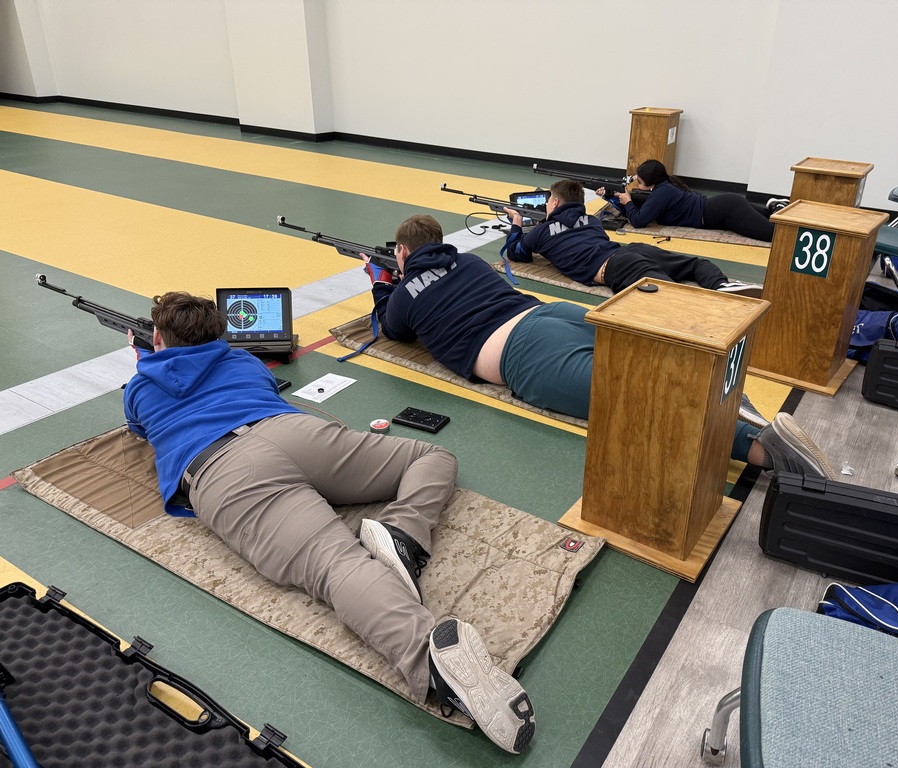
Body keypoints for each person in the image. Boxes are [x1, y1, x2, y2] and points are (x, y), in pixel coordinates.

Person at [123, 291, 536, 755]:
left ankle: (432, 660)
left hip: (222, 471)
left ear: (157, 336)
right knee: (430, 456)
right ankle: (402, 533)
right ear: (218, 332)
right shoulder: (243, 362)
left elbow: (139, 427)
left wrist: (149, 363)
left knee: (336, 566)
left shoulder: (141, 386)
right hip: (291, 433)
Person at [367, 214, 836, 480]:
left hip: (521, 353)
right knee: (662, 360)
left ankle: (761, 451)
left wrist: (382, 282)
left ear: (403, 253)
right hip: (554, 312)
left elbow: (392, 331)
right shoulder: (469, 262)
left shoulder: (405, 292)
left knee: (635, 400)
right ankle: (748, 409)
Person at [501, 179, 762, 297]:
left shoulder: (541, 232)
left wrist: (516, 224)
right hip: (632, 251)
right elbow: (574, 231)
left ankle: (719, 312)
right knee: (693, 264)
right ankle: (720, 284)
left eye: (548, 201)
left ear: (555, 202)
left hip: (618, 266)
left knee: (675, 298)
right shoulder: (592, 221)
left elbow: (516, 253)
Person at [598, 159, 777, 242]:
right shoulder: (665, 185)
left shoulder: (662, 193)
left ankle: (774, 207)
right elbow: (643, 203)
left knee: (773, 235)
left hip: (725, 211)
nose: (638, 183)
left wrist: (628, 201)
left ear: (650, 182)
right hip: (725, 205)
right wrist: (609, 195)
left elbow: (638, 221)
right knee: (773, 219)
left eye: (640, 181)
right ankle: (773, 207)